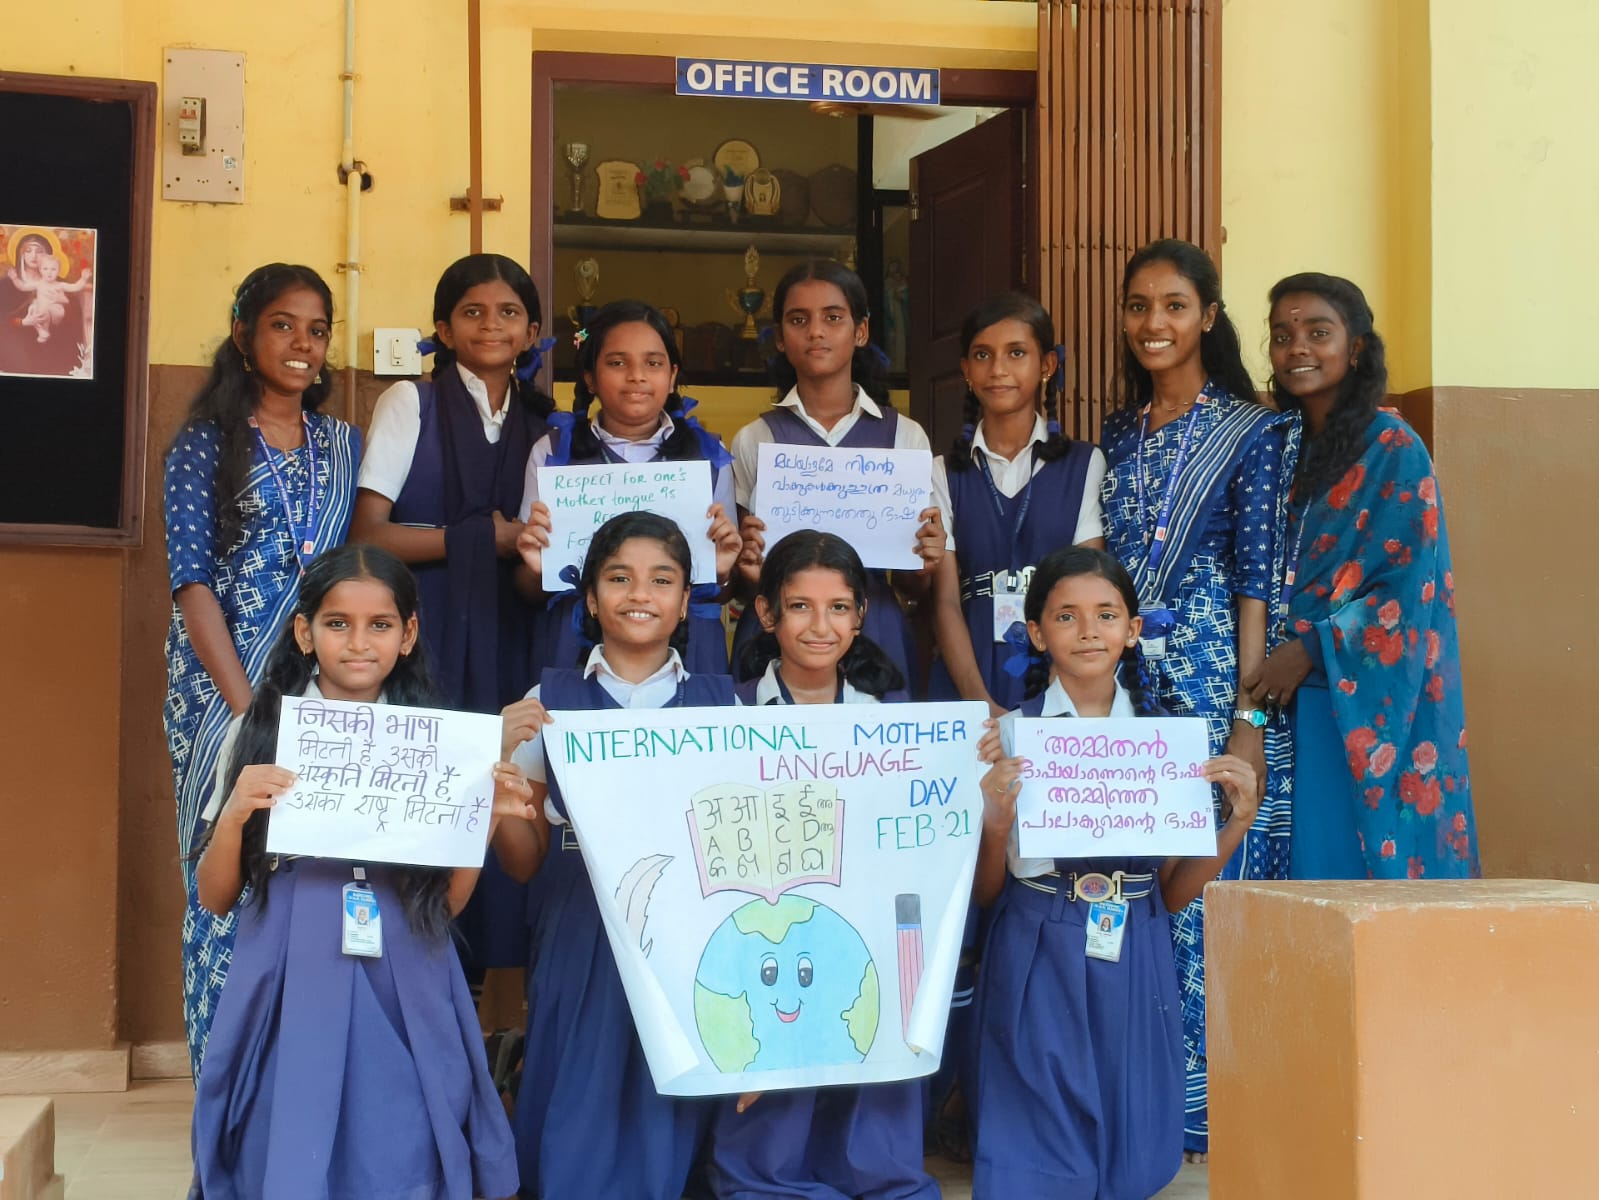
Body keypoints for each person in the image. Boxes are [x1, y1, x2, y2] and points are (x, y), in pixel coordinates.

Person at [188, 544, 520, 1199]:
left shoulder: (439, 742)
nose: (359, 642)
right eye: (337, 623)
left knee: (405, 1128)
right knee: (286, 1120)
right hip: (291, 959)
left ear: (408, 635)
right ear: (304, 632)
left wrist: (481, 819)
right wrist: (234, 814)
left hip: (406, 963)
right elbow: (215, 896)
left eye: (381, 625)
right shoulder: (257, 731)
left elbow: (447, 905)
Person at [970, 546, 1259, 1198]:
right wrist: (995, 821)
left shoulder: (1166, 741)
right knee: (1036, 1138)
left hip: (1135, 940)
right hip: (1037, 936)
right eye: (1065, 616)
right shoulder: (1007, 737)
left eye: (1105, 615)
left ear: (1132, 630)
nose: (1087, 631)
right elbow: (987, 893)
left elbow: (1172, 893)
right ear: (1036, 632)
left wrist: (1236, 821)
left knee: (1128, 1143)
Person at [1098, 238, 1297, 1160]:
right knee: (1144, 879)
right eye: (1138, 306)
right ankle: (1146, 1092)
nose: (1153, 324)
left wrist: (1247, 720)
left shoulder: (1251, 431)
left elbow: (1257, 583)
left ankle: (1208, 1106)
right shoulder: (1117, 433)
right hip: (1127, 690)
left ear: (1207, 317)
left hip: (1212, 681)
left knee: (1211, 873)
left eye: (1173, 305)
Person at [495, 513, 739, 1199]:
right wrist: (497, 780)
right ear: (591, 598)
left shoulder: (723, 706)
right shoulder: (546, 703)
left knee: (670, 1067)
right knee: (580, 1070)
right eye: (619, 578)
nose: (640, 594)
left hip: (686, 921)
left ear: (685, 601)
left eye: (662, 580)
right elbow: (522, 862)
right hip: (578, 913)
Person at [163, 263, 361, 1077]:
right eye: (283, 325)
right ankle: (220, 1077)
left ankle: (294, 1073)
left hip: (318, 687)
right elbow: (191, 585)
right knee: (226, 858)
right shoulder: (204, 445)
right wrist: (249, 709)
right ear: (243, 334)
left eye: (317, 330)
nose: (302, 344)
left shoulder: (340, 445)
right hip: (223, 691)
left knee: (305, 868)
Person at [707, 529, 933, 1199]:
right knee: (773, 1033)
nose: (820, 625)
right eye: (800, 606)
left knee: (862, 1025)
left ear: (860, 616)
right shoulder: (726, 710)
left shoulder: (894, 717)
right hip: (762, 918)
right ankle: (766, 1178)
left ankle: (874, 1172)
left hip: (863, 914)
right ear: (766, 613)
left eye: (838, 607)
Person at [350, 252, 553, 972]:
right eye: (472, 312)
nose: (491, 325)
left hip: (514, 626)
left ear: (532, 331)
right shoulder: (413, 403)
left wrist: (521, 552)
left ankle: (496, 1001)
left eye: (509, 313)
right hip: (428, 628)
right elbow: (369, 535)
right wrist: (481, 538)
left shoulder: (546, 424)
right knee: (432, 791)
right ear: (442, 328)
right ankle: (420, 974)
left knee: (506, 791)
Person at [1248, 272, 1479, 879]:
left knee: (1345, 867)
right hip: (1270, 696)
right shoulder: (1277, 445)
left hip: (1353, 693)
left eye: (1317, 332)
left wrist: (1309, 649)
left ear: (1354, 348)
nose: (1297, 348)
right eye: (1282, 336)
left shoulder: (1392, 446)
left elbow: (1408, 584)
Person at [730, 259, 945, 689]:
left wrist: (925, 564)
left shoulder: (904, 436)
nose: (816, 332)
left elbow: (912, 587)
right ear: (779, 337)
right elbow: (740, 582)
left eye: (833, 317)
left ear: (861, 331)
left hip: (875, 630)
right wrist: (747, 568)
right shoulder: (755, 439)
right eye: (798, 319)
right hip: (779, 635)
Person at [516, 300, 741, 676]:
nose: (636, 376)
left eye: (653, 363)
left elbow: (722, 588)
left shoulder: (709, 456)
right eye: (617, 363)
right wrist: (536, 569)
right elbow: (529, 588)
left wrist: (721, 573)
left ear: (672, 376)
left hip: (689, 647)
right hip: (577, 644)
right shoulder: (553, 452)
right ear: (590, 377)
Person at [930, 292, 1106, 717]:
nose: (998, 369)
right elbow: (946, 602)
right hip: (965, 670)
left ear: (1047, 365)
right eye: (982, 355)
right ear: (966, 369)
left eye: (1016, 353)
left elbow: (1088, 589)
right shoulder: (942, 472)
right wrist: (980, 705)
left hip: (1059, 672)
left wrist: (1054, 699)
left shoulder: (1084, 464)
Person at [9, 255, 91, 342]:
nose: (49, 272)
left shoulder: (60, 285)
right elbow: (22, 287)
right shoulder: (39, 284)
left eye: (53, 269)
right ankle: (41, 330)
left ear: (58, 271)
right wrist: (15, 278)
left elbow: (75, 287)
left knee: (43, 310)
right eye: (45, 269)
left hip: (56, 311)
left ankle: (43, 329)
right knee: (32, 308)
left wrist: (83, 279)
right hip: (41, 311)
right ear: (40, 270)